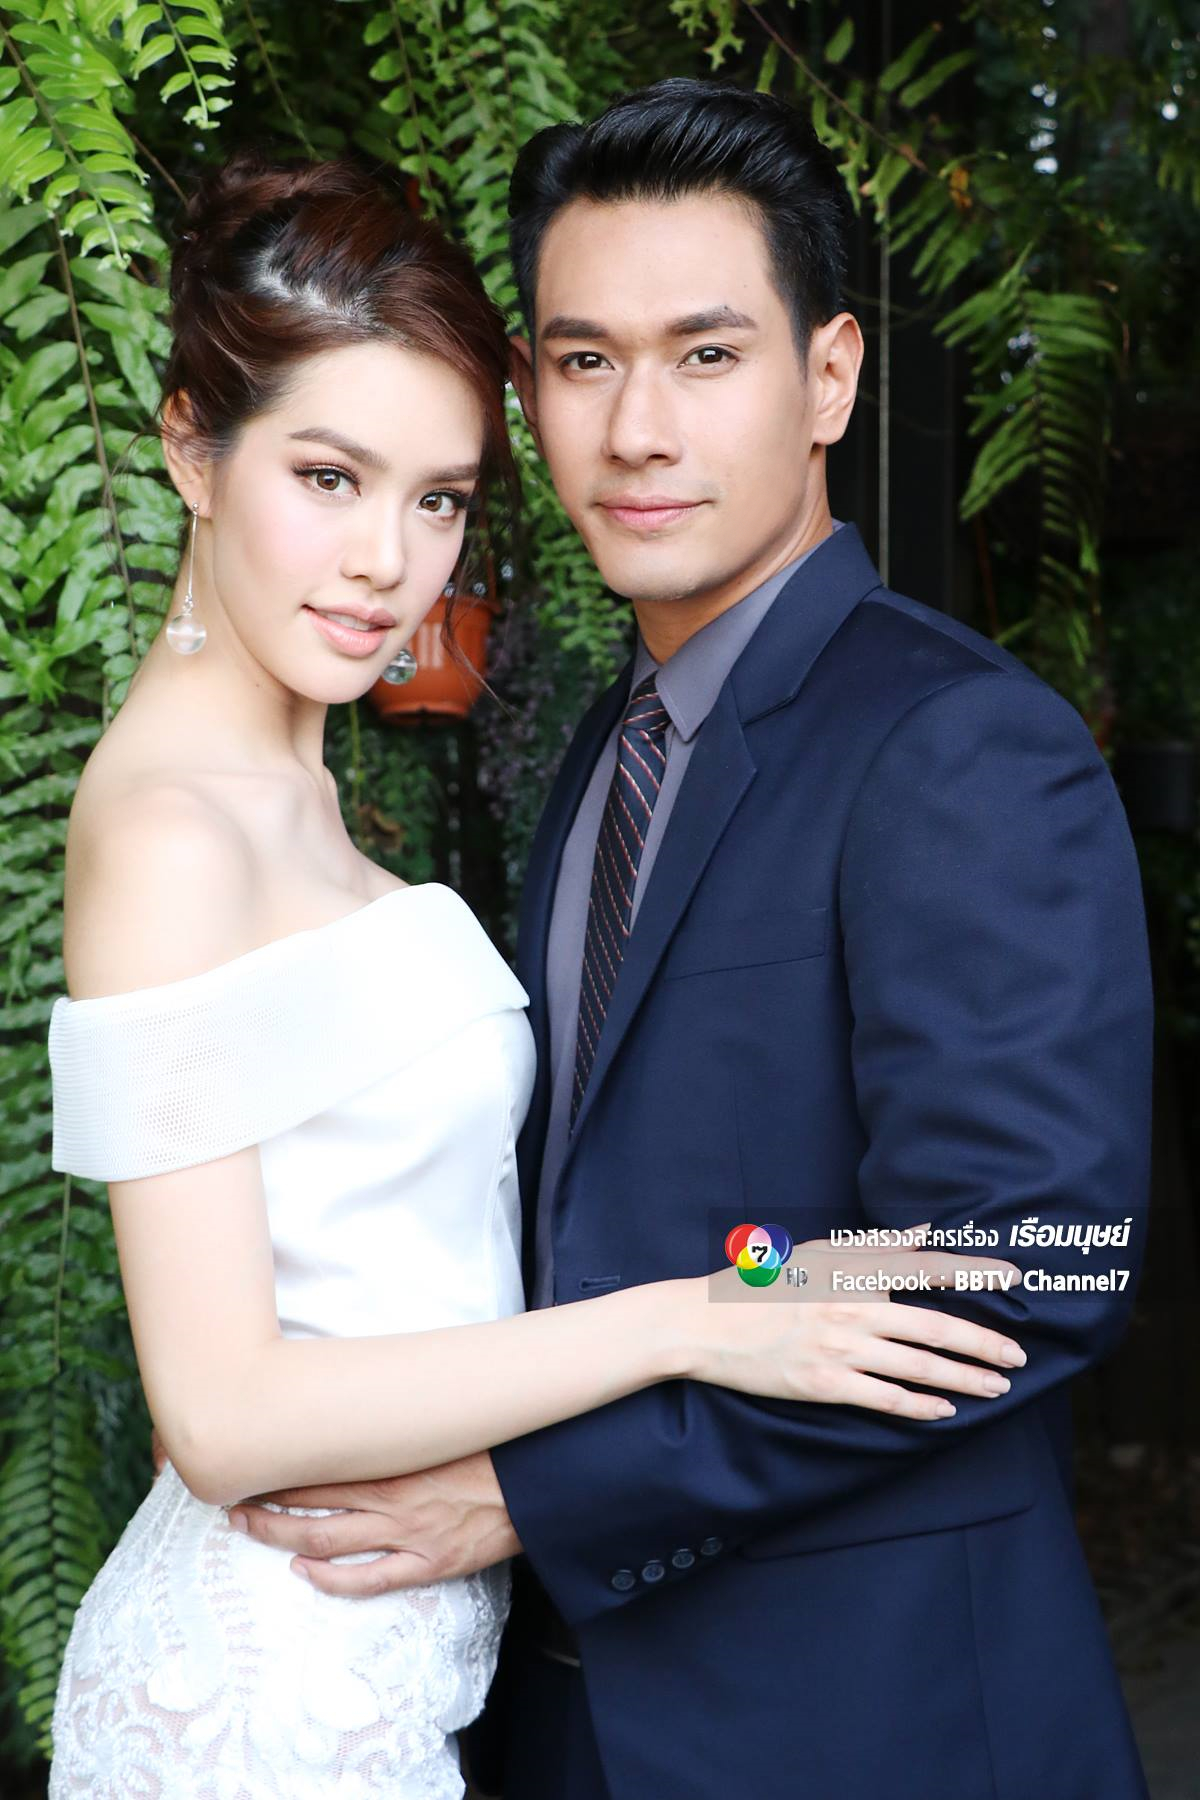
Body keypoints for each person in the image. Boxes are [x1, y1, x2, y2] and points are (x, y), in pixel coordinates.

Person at [45, 147, 1024, 1800]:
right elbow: (218, 1418)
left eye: (438, 499)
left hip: (419, 1667)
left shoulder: (322, 791)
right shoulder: (168, 831)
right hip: (267, 1692)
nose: (386, 562)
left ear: (829, 378)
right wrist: (705, 1319)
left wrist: (718, 1325)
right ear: (189, 449)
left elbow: (1011, 1248)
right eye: (330, 476)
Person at [233, 82, 1155, 1800]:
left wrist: (535, 1491)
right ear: (529, 394)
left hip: (861, 1719)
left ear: (830, 377)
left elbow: (1022, 1252)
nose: (638, 428)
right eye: (585, 362)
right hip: (554, 1714)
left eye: (706, 355)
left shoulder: (956, 743)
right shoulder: (611, 741)